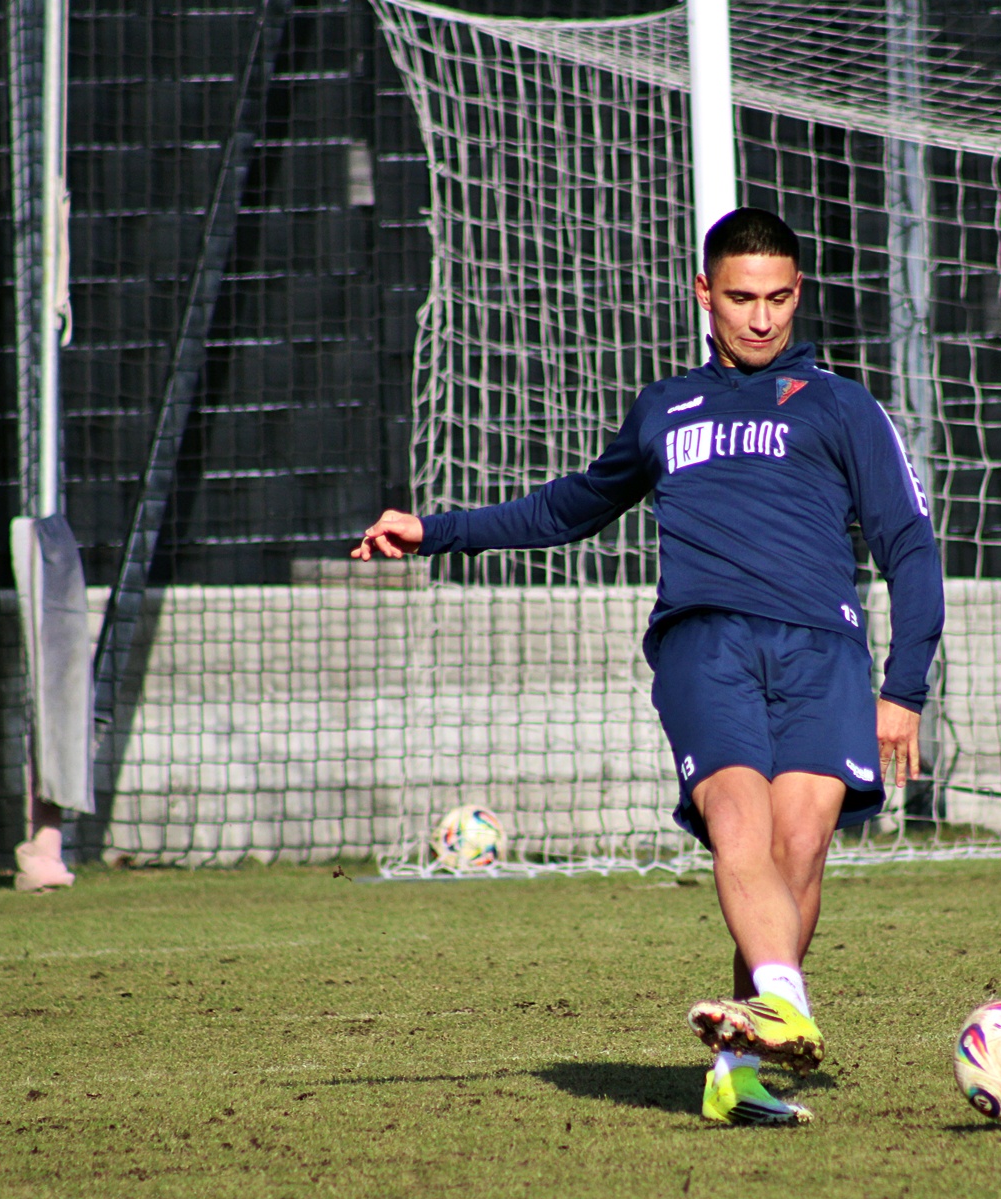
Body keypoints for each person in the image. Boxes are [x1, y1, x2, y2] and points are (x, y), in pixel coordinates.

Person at [353, 208, 944, 1125]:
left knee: (799, 851)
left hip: (822, 648)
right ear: (704, 293)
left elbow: (909, 543)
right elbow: (568, 507)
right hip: (704, 643)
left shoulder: (841, 406)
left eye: (777, 298)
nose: (760, 318)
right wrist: (436, 531)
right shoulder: (667, 409)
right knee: (740, 821)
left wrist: (903, 688)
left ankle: (739, 1068)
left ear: (798, 293)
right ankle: (785, 1006)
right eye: (740, 298)